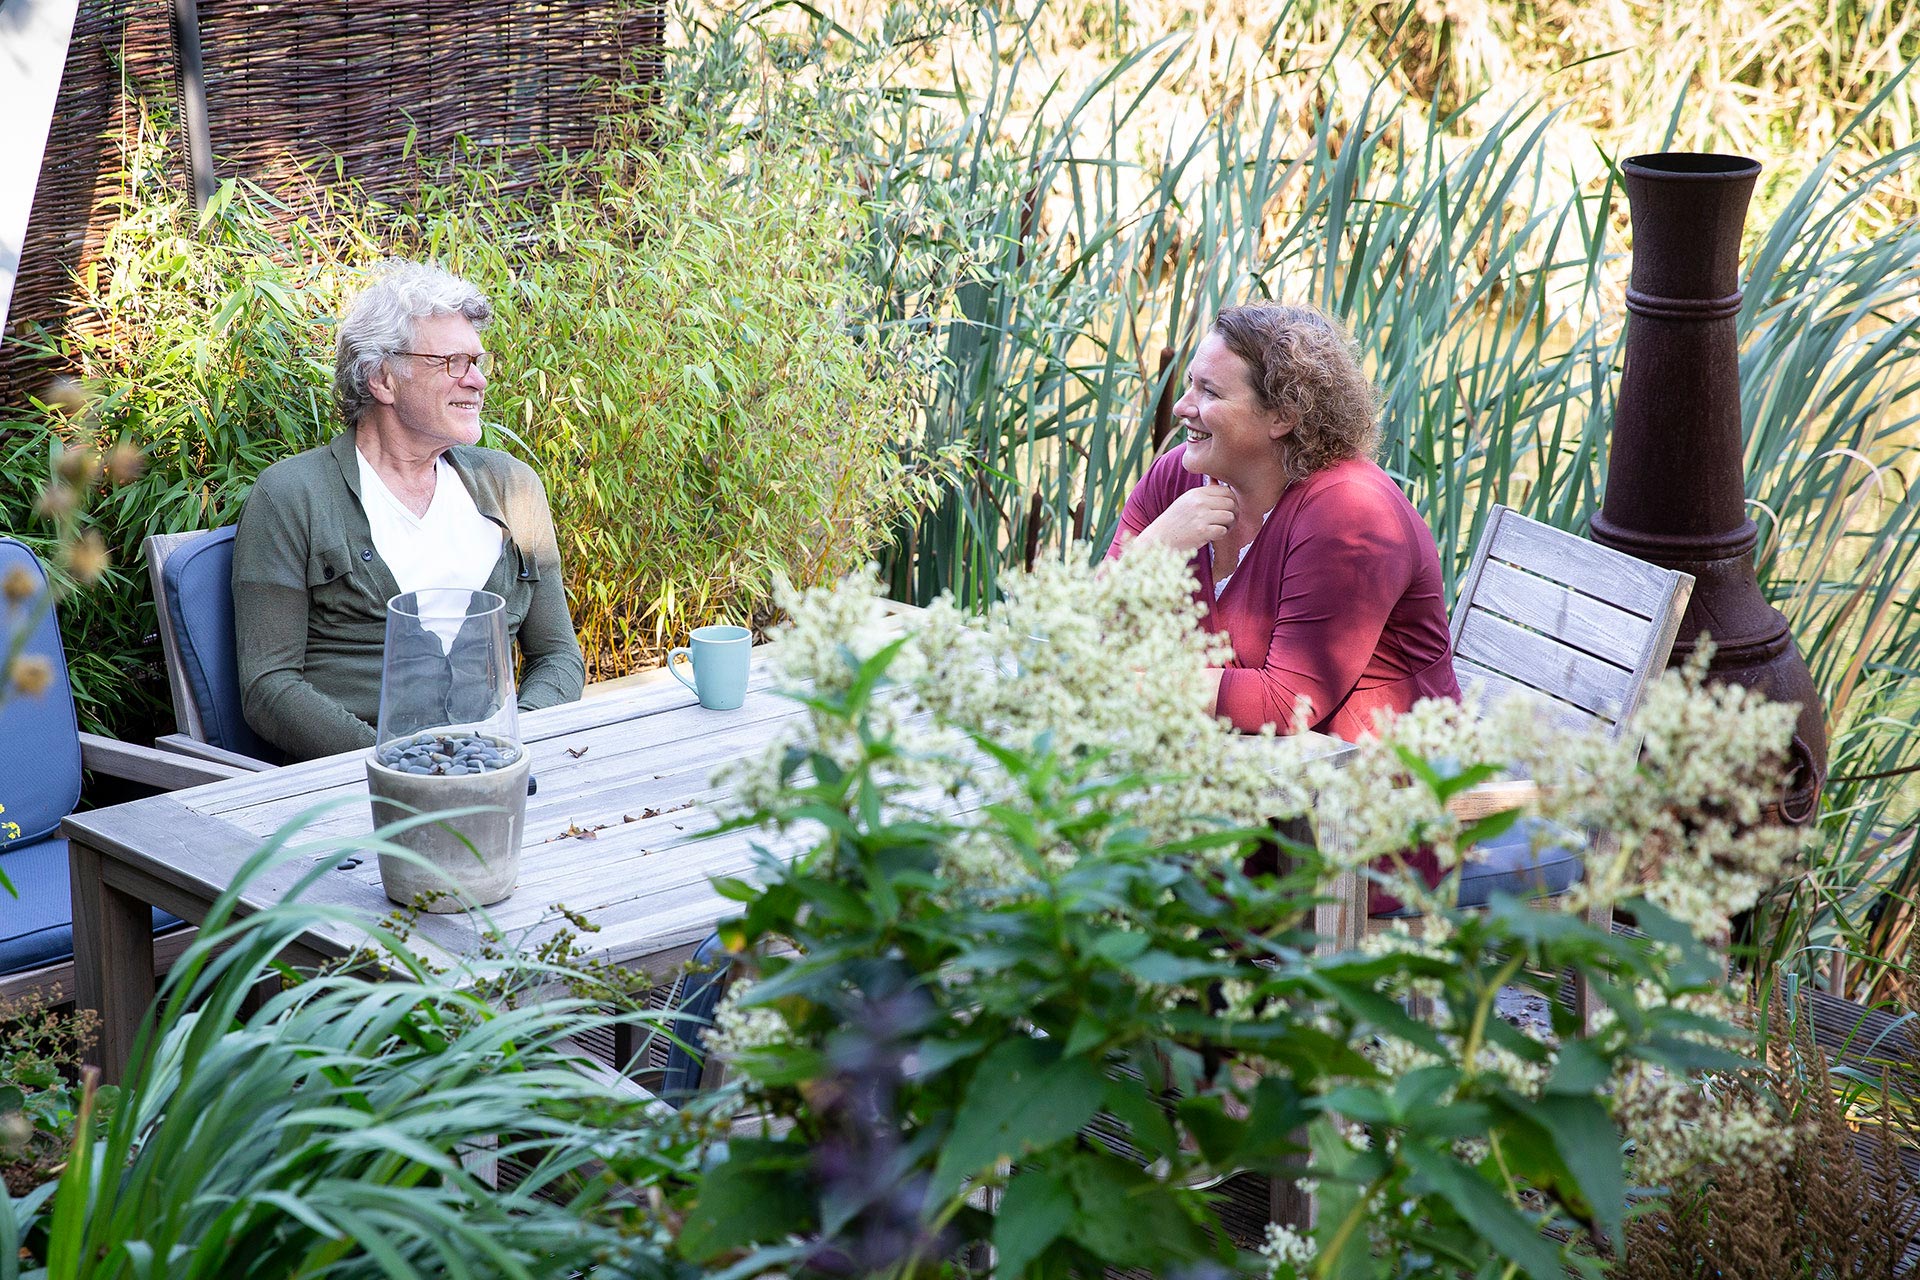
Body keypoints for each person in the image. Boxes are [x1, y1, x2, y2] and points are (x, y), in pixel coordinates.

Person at [232, 260, 586, 761]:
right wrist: (398, 765)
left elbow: (557, 657)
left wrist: (505, 750)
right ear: (383, 379)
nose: (478, 381)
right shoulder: (291, 496)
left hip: (504, 772)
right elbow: (270, 689)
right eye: (453, 363)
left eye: (478, 362)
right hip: (359, 791)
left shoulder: (513, 488)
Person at [1106, 302, 1458, 740]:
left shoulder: (1350, 514)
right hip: (1250, 770)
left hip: (1378, 789)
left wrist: (1135, 682)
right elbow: (1090, 632)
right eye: (1190, 384)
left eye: (1209, 393)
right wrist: (1150, 551)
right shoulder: (1177, 477)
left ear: (1283, 416)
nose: (1181, 406)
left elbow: (1285, 702)